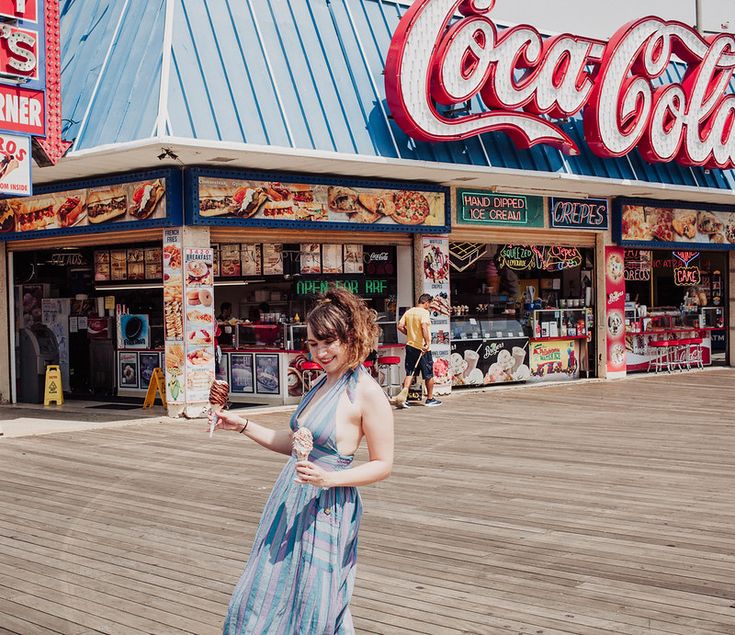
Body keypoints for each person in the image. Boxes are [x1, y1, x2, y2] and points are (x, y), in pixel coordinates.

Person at [210, 286, 394, 634]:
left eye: (328, 342)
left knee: (315, 599)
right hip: (290, 497)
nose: (320, 352)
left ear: (351, 338)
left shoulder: (366, 392)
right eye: (313, 344)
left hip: (328, 506)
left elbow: (383, 464)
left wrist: (329, 479)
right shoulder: (322, 383)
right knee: (266, 589)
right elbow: (294, 445)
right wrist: (243, 424)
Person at [396, 294, 441, 407]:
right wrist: (427, 342)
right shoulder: (424, 313)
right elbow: (424, 327)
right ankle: (430, 399)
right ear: (426, 302)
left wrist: (409, 333)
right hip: (422, 348)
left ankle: (404, 398)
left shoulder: (409, 312)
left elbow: (400, 326)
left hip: (411, 346)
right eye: (429, 304)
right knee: (428, 374)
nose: (429, 306)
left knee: (410, 372)